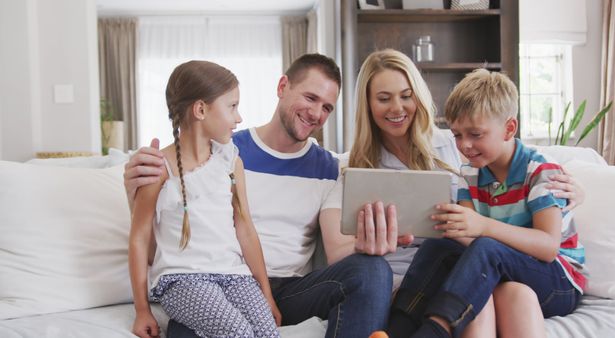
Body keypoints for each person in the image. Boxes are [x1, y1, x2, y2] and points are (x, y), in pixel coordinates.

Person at [124, 54, 407, 338]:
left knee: (372, 270)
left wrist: (375, 239)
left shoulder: (330, 168)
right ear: (283, 86)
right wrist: (133, 192)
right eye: (310, 98)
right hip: (206, 284)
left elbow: (335, 251)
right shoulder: (226, 148)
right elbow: (160, 237)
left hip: (287, 288)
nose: (316, 113)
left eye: (327, 108)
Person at [348, 49, 552, 338]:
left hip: (467, 265)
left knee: (471, 270)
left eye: (406, 95)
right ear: (367, 105)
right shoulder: (356, 166)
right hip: (416, 273)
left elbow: (513, 156)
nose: (397, 107)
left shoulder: (460, 148)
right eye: (383, 98)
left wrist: (570, 189)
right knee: (446, 251)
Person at [383, 68, 587, 338]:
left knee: (487, 245)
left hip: (558, 280)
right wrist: (452, 226)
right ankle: (396, 330)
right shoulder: (470, 172)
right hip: (508, 272)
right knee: (441, 244)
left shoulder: (540, 172)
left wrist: (481, 226)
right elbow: (467, 240)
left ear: (509, 129)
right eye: (457, 135)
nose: (465, 145)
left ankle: (435, 330)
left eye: (476, 134)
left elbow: (548, 248)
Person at [128, 60, 280, 338]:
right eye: (232, 106)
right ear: (200, 109)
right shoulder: (160, 167)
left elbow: (245, 230)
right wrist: (142, 310)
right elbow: (138, 238)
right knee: (239, 333)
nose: (239, 118)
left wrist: (266, 293)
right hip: (182, 279)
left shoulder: (232, 163)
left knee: (268, 334)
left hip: (236, 276)